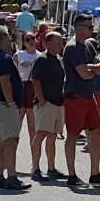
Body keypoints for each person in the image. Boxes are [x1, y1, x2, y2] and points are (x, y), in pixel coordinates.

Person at [61, 17, 100, 187]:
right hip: (75, 96)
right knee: (73, 135)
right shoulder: (72, 48)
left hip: (88, 96)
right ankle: (72, 175)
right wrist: (94, 68)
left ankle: (95, 173)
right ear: (79, 28)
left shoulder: (88, 45)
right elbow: (85, 73)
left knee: (97, 132)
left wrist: (93, 68)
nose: (92, 30)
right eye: (89, 27)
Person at [0, 24, 28, 192]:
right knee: (11, 140)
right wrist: (11, 103)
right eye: (8, 34)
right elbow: (5, 82)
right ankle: (11, 176)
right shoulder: (3, 58)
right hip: (5, 104)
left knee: (4, 140)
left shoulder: (0, 56)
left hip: (0, 103)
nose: (10, 36)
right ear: (2, 37)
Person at [30, 28, 65, 179]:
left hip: (58, 103)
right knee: (40, 135)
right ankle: (35, 168)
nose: (60, 45)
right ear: (48, 43)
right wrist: (42, 100)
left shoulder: (59, 60)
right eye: (57, 43)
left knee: (52, 136)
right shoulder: (42, 59)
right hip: (46, 103)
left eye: (61, 43)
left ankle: (51, 168)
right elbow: (35, 80)